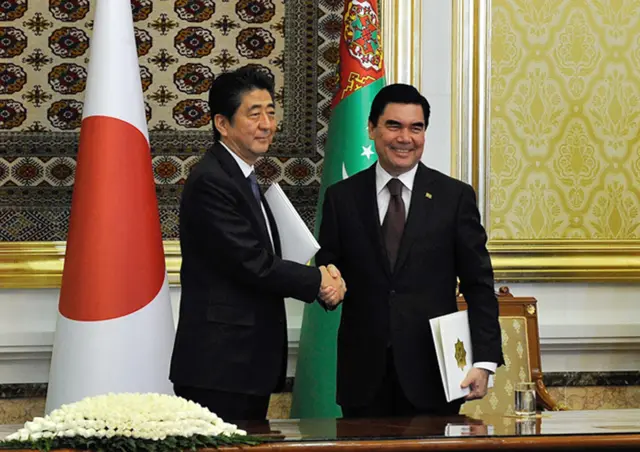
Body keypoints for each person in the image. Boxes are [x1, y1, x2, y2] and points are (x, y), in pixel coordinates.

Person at [316, 83, 503, 418]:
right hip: (363, 377)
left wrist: (484, 361)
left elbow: (478, 283)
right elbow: (329, 266)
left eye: (415, 128)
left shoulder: (454, 197)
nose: (405, 138)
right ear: (371, 129)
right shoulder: (341, 198)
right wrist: (327, 285)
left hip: (435, 375)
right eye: (394, 126)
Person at [170, 67, 345, 421]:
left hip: (243, 365)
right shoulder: (212, 181)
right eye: (254, 114)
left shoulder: (241, 176)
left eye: (270, 111)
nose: (267, 124)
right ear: (222, 123)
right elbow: (251, 262)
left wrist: (322, 268)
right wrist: (318, 283)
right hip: (219, 367)